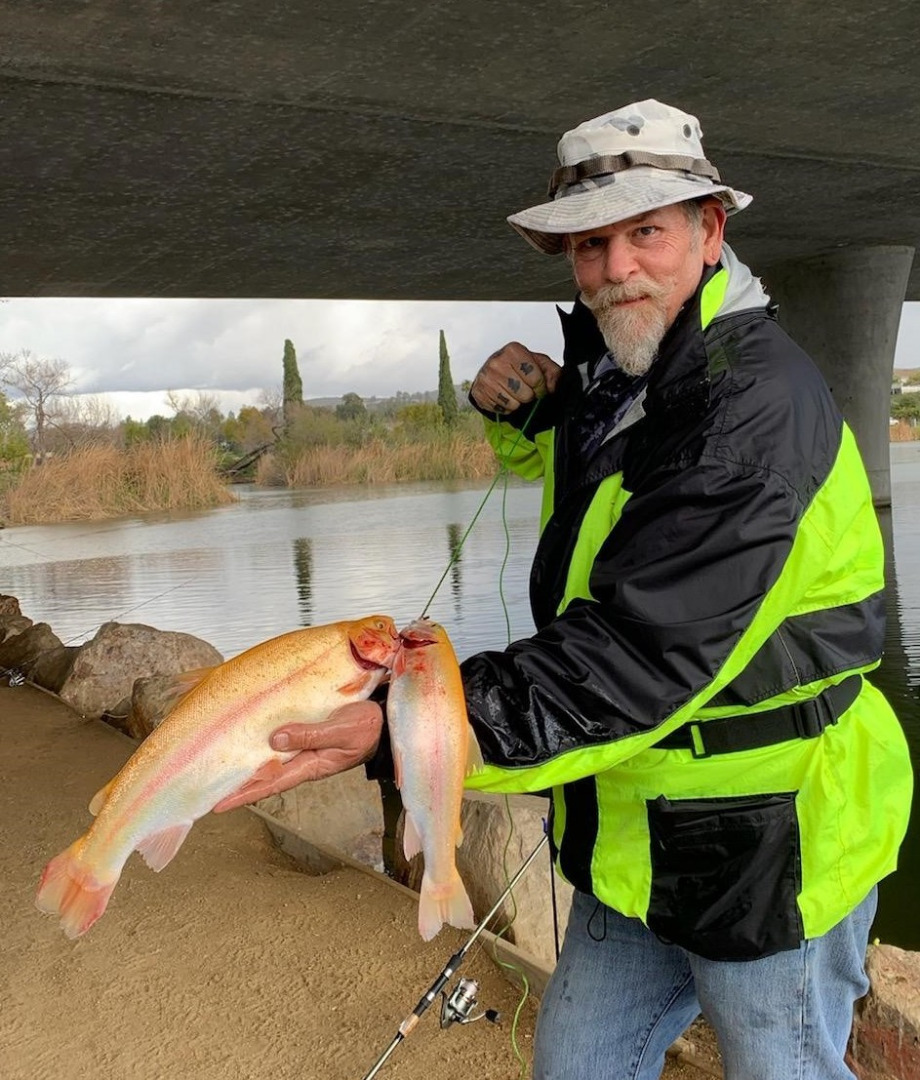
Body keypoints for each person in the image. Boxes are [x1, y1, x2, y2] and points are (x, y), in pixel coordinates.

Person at [216, 100, 913, 1079]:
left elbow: (636, 654)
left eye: (643, 232)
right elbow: (603, 489)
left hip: (766, 844)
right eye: (587, 245)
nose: (613, 267)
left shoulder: (749, 406)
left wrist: (423, 727)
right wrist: (535, 409)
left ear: (709, 231)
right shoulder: (627, 363)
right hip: (628, 838)